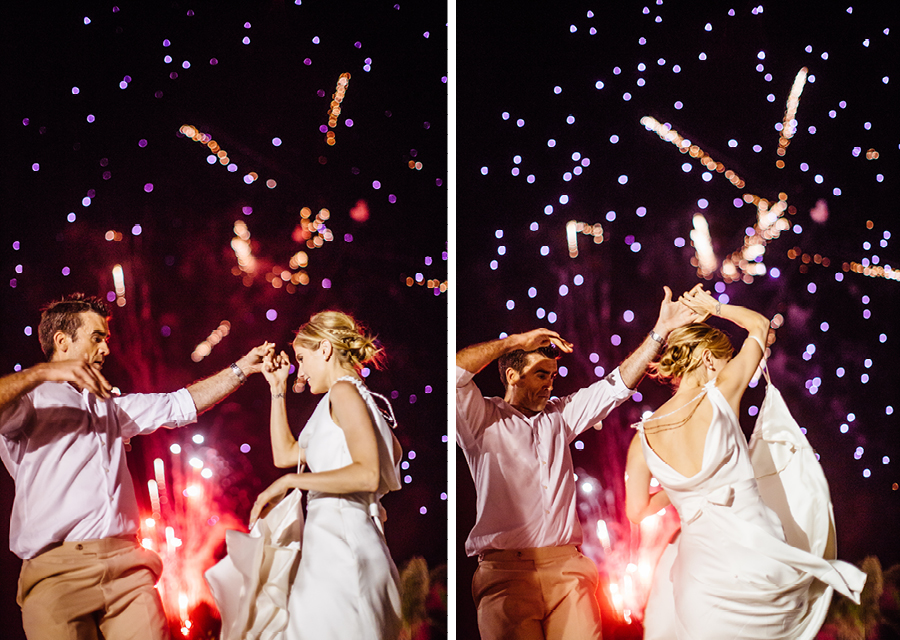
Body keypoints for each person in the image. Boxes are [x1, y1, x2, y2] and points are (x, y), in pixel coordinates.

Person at [0, 293, 272, 640]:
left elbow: (178, 405)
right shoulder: (27, 402)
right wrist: (44, 372)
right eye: (96, 338)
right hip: (56, 574)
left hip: (128, 571)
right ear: (62, 341)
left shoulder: (111, 406)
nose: (106, 350)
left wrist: (241, 369)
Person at [456, 287, 700, 640]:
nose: (550, 385)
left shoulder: (560, 415)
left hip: (567, 571)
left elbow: (616, 386)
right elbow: (456, 374)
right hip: (505, 575)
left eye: (553, 377)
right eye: (542, 375)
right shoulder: (481, 418)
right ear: (513, 376)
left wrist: (660, 332)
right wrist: (516, 341)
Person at [630, 285, 866, 639]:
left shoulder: (642, 438)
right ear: (709, 358)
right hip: (760, 566)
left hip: (700, 587)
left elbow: (636, 512)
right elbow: (760, 326)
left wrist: (681, 490)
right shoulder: (722, 391)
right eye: (723, 361)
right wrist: (715, 308)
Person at [249, 310, 404, 640]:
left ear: (325, 349)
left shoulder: (344, 392)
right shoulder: (349, 400)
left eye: (302, 358)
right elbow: (285, 455)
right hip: (333, 547)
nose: (300, 372)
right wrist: (278, 390)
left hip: (343, 550)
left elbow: (367, 474)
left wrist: (291, 482)